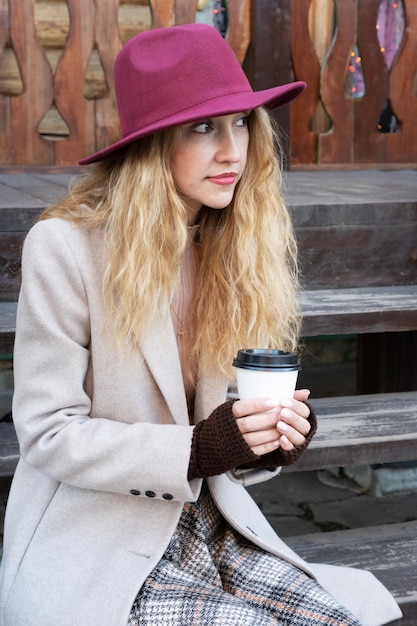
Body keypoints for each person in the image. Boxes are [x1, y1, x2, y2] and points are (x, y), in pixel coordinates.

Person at [0, 24, 401, 626]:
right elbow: (48, 434)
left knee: (337, 617)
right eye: (204, 126)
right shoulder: (65, 249)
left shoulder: (228, 246)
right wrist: (199, 447)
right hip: (99, 538)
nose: (233, 151)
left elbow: (219, 433)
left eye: (241, 122)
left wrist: (270, 434)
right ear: (152, 143)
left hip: (214, 522)